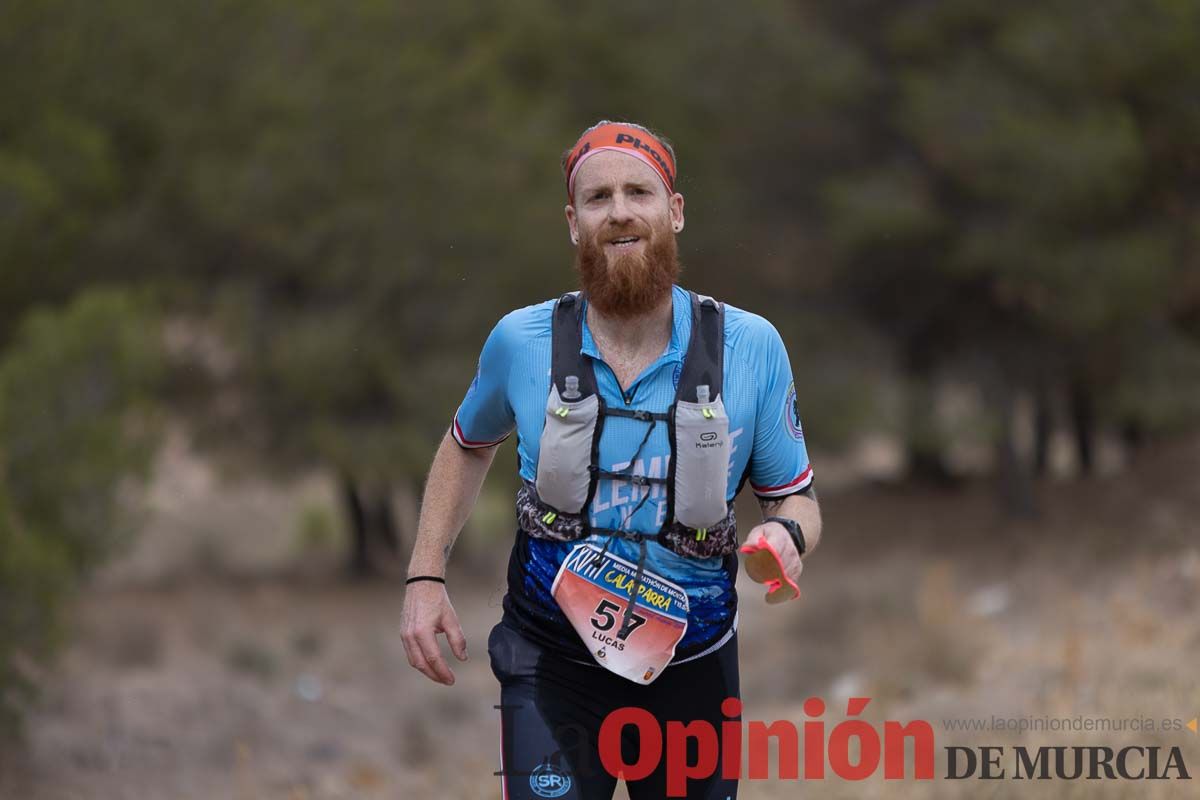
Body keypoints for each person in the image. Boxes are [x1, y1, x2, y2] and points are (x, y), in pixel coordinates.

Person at [401, 120, 822, 800]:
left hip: (693, 669)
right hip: (551, 666)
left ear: (674, 212)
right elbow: (466, 443)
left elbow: (795, 496)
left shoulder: (751, 347)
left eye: (639, 192)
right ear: (573, 223)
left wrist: (787, 534)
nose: (620, 211)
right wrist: (425, 576)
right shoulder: (520, 341)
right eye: (598, 198)